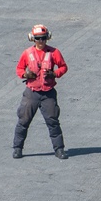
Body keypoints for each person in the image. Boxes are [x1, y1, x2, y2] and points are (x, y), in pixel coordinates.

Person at [13, 24, 69, 160]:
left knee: (53, 121)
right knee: (23, 121)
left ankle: (59, 149)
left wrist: (54, 74)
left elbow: (63, 67)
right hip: (31, 93)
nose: (41, 41)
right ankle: (17, 149)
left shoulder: (54, 52)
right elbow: (19, 69)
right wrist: (26, 75)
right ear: (32, 39)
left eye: (43, 38)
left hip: (48, 93)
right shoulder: (27, 53)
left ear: (47, 38)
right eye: (38, 39)